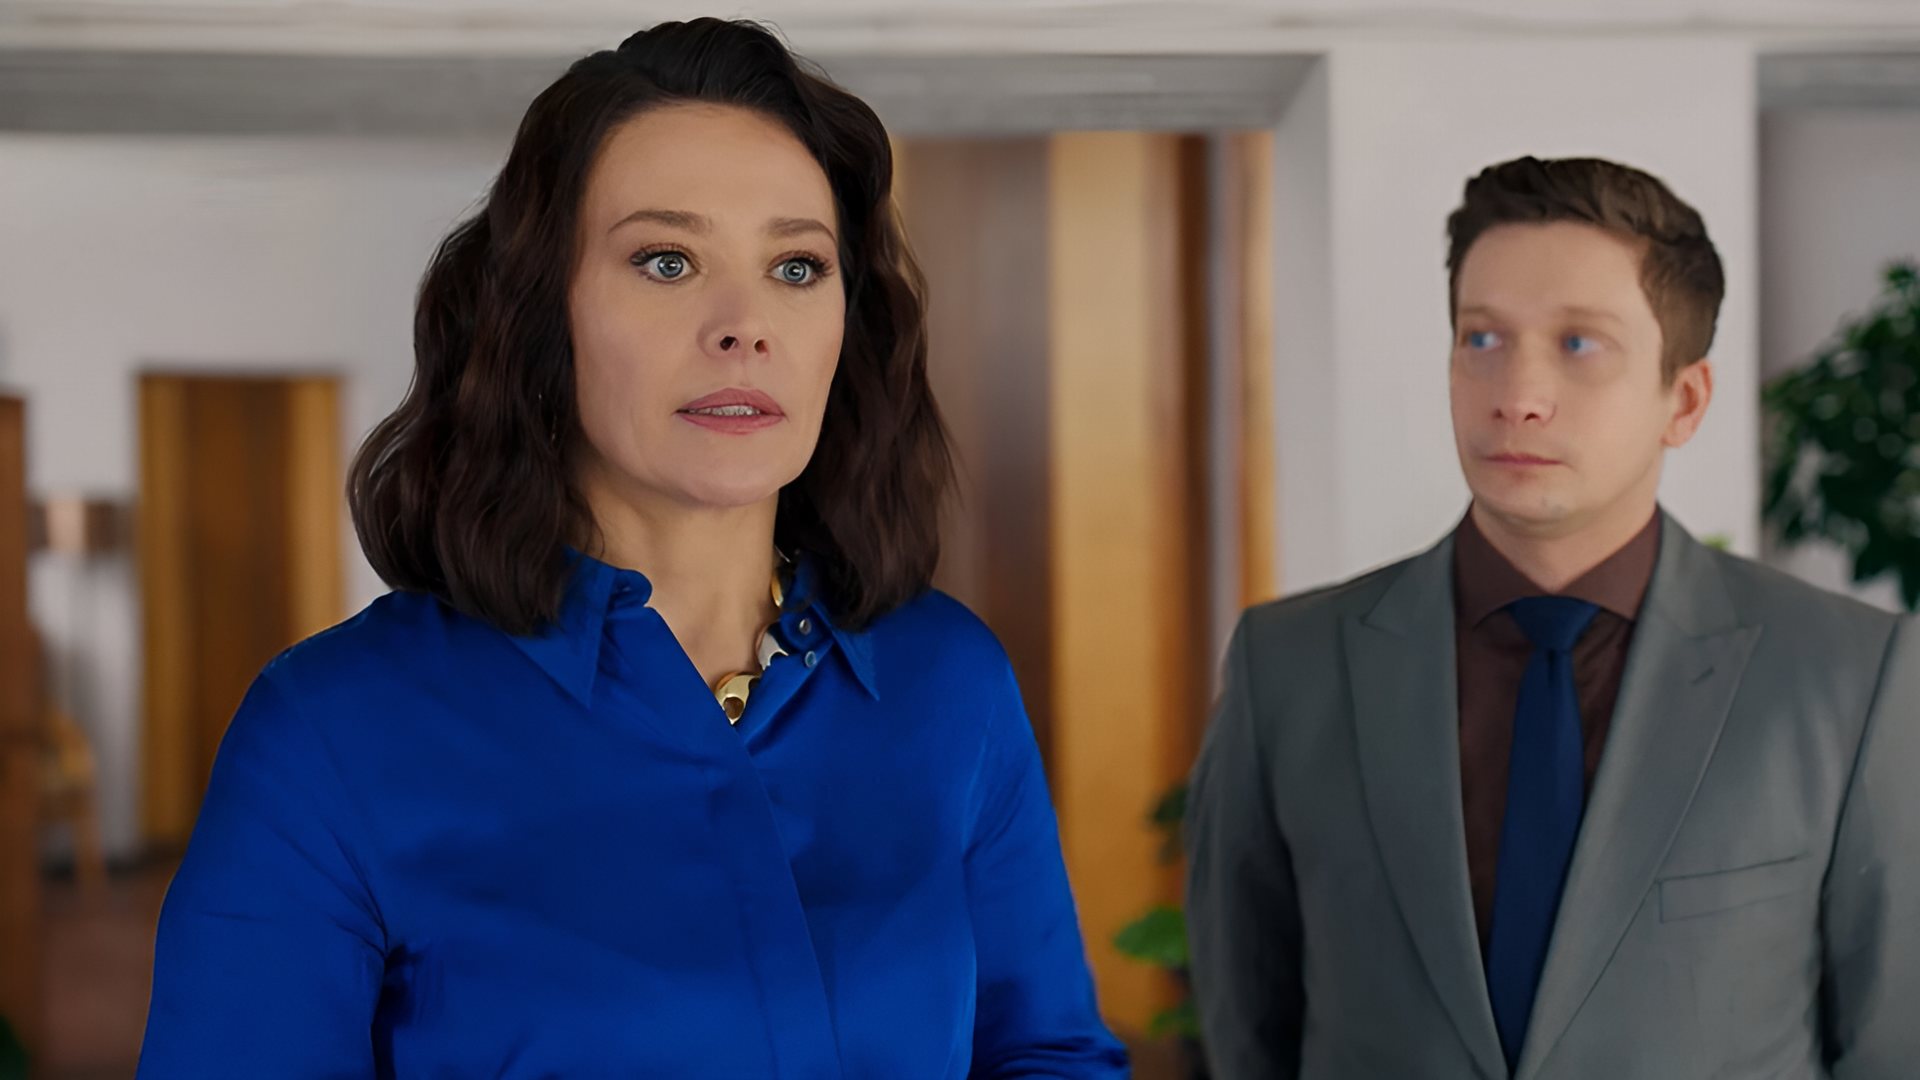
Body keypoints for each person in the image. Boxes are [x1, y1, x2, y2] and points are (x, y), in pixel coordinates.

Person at [138, 20, 1126, 1079]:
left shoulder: (952, 682)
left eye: (797, 265)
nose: (744, 325)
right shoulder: (331, 733)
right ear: (539, 315)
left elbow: (1047, 1054)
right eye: (667, 261)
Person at [1186, 156, 1920, 1078]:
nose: (1517, 396)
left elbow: (1894, 1049)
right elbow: (1246, 1032)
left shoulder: (1848, 678)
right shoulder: (1288, 666)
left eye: (1579, 343)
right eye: (1482, 338)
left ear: (1684, 399)